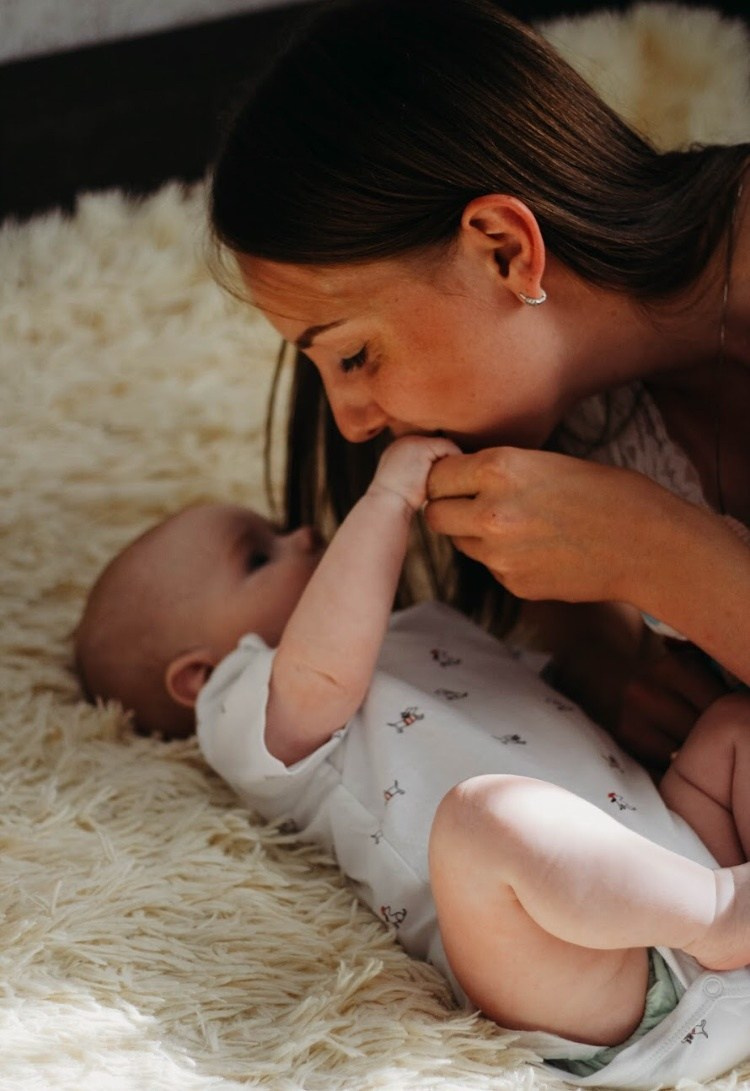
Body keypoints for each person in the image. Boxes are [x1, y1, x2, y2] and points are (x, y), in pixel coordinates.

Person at [75, 435, 750, 1087]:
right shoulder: (243, 700)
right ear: (196, 676)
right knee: (483, 818)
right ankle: (723, 912)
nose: (304, 537)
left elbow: (547, 703)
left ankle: (717, 903)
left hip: (669, 849)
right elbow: (323, 675)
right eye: (258, 556)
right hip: (581, 972)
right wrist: (387, 499)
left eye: (280, 529)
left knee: (730, 728)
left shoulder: (422, 627)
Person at [209, 0, 750, 775]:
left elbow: (651, 559)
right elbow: (577, 643)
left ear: (503, 249)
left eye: (355, 355)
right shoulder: (555, 406)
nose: (352, 423)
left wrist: (659, 554)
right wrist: (641, 687)